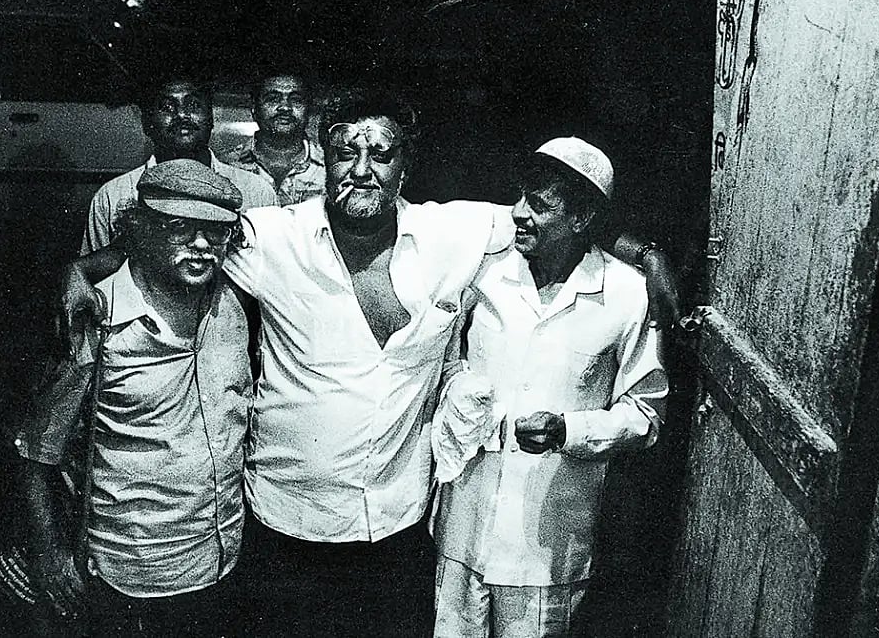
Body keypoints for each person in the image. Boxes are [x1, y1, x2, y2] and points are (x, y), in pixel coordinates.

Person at [57, 87, 681, 636]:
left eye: (381, 154)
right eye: (345, 154)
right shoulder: (274, 237)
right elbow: (175, 233)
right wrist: (80, 269)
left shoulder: (456, 233)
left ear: (405, 165)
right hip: (286, 522)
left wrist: (643, 253)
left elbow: (557, 217)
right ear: (321, 160)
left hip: (396, 528)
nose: (362, 170)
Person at [431, 138, 668, 637]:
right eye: (521, 197)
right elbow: (443, 353)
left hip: (547, 552)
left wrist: (570, 430)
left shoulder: (626, 294)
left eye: (539, 205)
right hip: (463, 529)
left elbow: (646, 414)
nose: (518, 213)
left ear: (581, 219)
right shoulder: (486, 270)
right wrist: (457, 386)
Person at [17, 160, 253, 636]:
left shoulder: (234, 302)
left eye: (215, 231)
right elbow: (37, 452)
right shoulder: (95, 318)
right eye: (179, 227)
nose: (202, 245)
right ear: (140, 231)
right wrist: (48, 553)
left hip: (224, 557)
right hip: (134, 578)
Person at [81, 74, 277, 254]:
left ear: (211, 118)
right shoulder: (113, 196)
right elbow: (94, 280)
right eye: (167, 107)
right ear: (147, 122)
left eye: (193, 105)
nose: (182, 115)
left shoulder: (257, 192)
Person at [220, 71, 326, 206]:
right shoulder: (225, 166)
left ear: (309, 109)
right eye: (273, 99)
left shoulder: (330, 167)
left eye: (296, 100)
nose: (285, 107)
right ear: (254, 107)